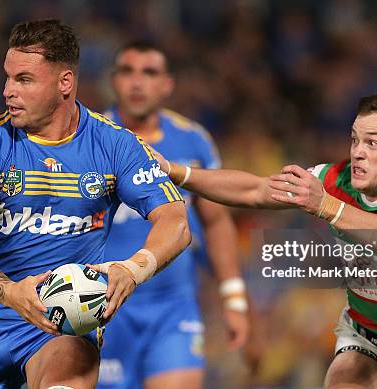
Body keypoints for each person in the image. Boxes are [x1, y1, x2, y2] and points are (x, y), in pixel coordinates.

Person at [155, 89, 377, 388]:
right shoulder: (332, 180)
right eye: (354, 139)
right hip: (369, 345)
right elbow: (254, 190)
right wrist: (175, 171)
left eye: (372, 143)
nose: (358, 152)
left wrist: (327, 206)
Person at [0, 20, 190, 389]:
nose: (8, 91)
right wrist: (10, 292)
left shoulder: (115, 145)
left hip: (64, 327)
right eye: (7, 78)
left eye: (24, 80)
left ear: (65, 83)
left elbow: (176, 222)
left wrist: (134, 268)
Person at [96, 41, 250, 389]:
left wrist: (234, 298)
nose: (137, 82)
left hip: (173, 309)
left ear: (167, 84)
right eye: (127, 71)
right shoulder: (89, 139)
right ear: (114, 80)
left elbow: (216, 222)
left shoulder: (193, 141)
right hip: (101, 308)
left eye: (149, 73)